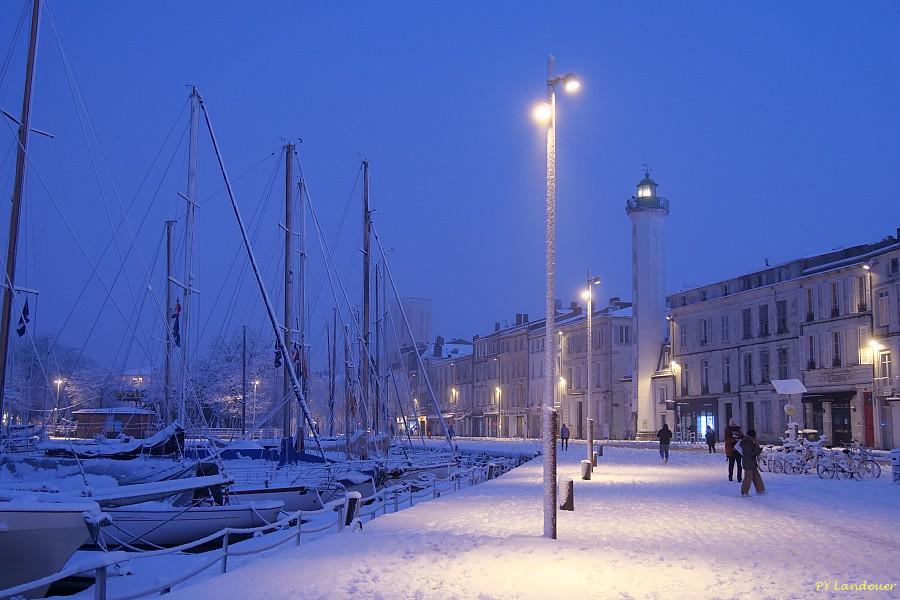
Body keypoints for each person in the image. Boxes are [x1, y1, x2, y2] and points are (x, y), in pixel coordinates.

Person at [739, 429, 766, 496]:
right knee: (748, 478)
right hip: (748, 462)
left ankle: (760, 490)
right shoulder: (747, 442)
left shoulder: (750, 441)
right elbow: (750, 452)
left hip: (751, 462)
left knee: (756, 476)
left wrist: (756, 446)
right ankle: (744, 491)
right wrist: (758, 450)